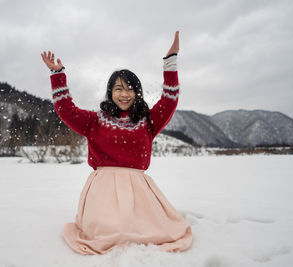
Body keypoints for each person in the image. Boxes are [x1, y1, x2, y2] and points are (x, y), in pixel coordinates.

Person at [41, 31, 192, 255]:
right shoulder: (95, 121)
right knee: (115, 234)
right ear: (110, 92)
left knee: (146, 233)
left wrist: (170, 62)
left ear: (137, 93)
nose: (124, 94)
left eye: (130, 88)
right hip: (103, 191)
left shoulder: (147, 121)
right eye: (118, 88)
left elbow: (169, 101)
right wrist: (57, 74)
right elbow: (66, 111)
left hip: (140, 193)